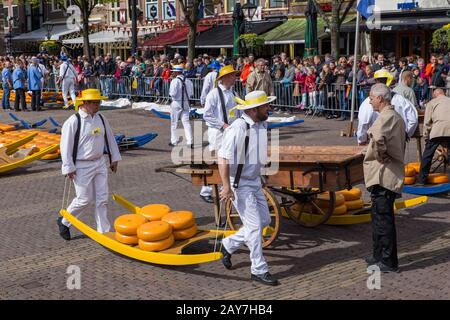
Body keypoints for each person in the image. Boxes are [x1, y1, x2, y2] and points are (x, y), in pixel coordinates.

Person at [218, 90, 279, 286]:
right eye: (265, 106)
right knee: (254, 227)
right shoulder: (237, 128)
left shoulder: (262, 124)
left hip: (253, 181)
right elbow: (223, 158)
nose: (268, 108)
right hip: (239, 184)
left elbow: (256, 153)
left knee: (265, 220)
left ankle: (228, 244)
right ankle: (259, 269)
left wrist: (260, 175)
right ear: (254, 110)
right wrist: (226, 187)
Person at [57, 89, 122, 240]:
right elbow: (65, 146)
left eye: (99, 101)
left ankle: (103, 231)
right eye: (94, 102)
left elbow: (110, 139)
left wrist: (114, 158)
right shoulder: (74, 121)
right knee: (84, 199)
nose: (98, 105)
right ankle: (64, 221)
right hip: (81, 165)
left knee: (102, 198)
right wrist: (68, 167)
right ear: (84, 103)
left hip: (99, 163)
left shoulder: (101, 118)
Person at [364, 83, 406, 273]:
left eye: (372, 98)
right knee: (378, 217)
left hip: (384, 175)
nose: (370, 101)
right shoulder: (391, 115)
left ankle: (388, 261)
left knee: (383, 219)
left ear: (380, 98)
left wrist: (380, 155)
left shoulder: (388, 116)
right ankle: (378, 254)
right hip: (384, 173)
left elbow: (378, 137)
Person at [200, 65, 239, 203]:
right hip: (218, 132)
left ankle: (225, 185)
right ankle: (205, 190)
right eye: (233, 75)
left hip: (231, 132)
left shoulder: (233, 93)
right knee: (217, 160)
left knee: (229, 160)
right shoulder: (214, 94)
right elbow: (207, 115)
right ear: (225, 78)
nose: (235, 78)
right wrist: (223, 125)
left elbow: (237, 111)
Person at [357, 70, 418, 145]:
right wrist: (405, 134)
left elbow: (363, 122)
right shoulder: (401, 100)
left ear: (376, 81)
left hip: (376, 142)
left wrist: (361, 140)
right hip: (397, 141)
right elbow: (413, 119)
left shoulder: (368, 101)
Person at [416, 89, 450, 185]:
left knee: (428, 155)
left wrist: (426, 136)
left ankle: (422, 180)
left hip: (438, 130)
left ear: (435, 95)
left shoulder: (432, 102)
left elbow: (427, 122)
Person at [168, 65, 193, 147]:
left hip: (176, 103)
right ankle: (190, 141)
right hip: (186, 103)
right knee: (186, 123)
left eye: (173, 72)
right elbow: (191, 94)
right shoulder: (189, 81)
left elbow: (172, 94)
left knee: (174, 123)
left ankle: (174, 141)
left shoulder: (175, 81)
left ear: (176, 72)